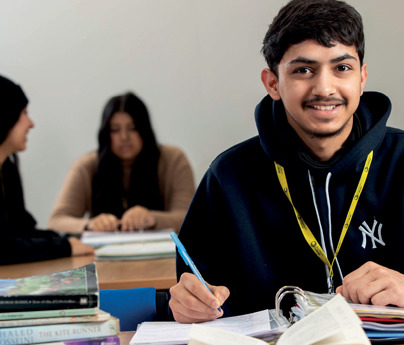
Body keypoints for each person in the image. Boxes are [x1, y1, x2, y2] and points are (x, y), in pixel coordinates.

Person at [169, 0, 404, 324]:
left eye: (342, 68)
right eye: (303, 70)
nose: (324, 87)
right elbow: (194, 290)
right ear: (272, 83)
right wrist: (188, 303)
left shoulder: (402, 159)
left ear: (362, 77)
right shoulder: (228, 178)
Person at [48, 92, 195, 234]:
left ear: (145, 130)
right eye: (115, 130)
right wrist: (90, 225)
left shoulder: (173, 159)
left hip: (164, 256)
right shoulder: (86, 166)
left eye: (132, 128)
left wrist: (152, 218)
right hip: (101, 256)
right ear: (105, 133)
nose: (124, 137)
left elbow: (191, 217)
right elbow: (56, 221)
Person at [0, 75, 94, 265]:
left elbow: (21, 229)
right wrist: (65, 247)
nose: (31, 123)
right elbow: (4, 249)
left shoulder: (7, 167)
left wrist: (68, 240)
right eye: (24, 113)